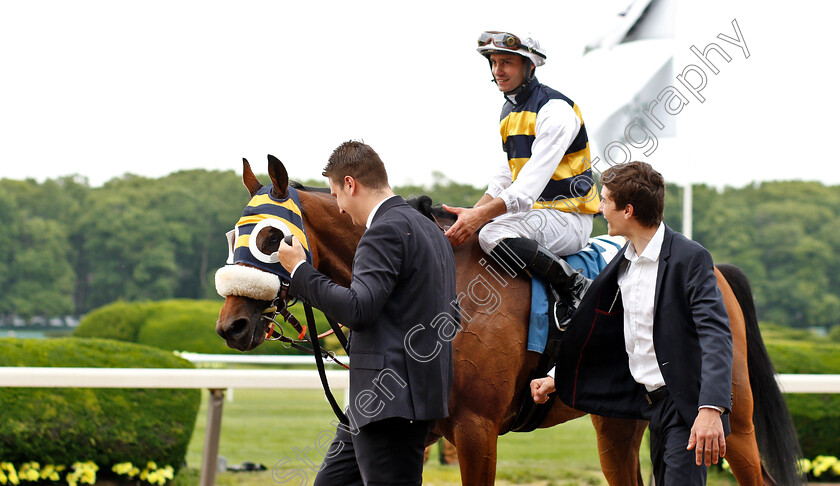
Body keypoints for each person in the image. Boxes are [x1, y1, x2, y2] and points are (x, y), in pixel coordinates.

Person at [530, 161, 733, 485]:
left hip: (688, 409)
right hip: (653, 407)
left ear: (628, 210)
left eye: (606, 201)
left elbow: (716, 336)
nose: (599, 208)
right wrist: (557, 376)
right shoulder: (623, 263)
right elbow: (603, 334)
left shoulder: (689, 258)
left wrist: (711, 409)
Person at [276, 141, 457, 486]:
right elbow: (452, 314)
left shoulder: (382, 232)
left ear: (350, 184)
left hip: (389, 406)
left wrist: (300, 271)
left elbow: (360, 309)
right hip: (399, 400)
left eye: (336, 195)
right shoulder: (430, 229)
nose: (340, 209)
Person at [443, 30, 600, 303]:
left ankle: (574, 284)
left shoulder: (556, 110)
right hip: (537, 215)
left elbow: (525, 189)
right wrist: (472, 213)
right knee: (476, 226)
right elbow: (506, 175)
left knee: (491, 232)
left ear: (529, 65)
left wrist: (480, 218)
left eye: (506, 62)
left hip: (568, 217)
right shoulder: (509, 111)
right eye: (493, 62)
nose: (498, 70)